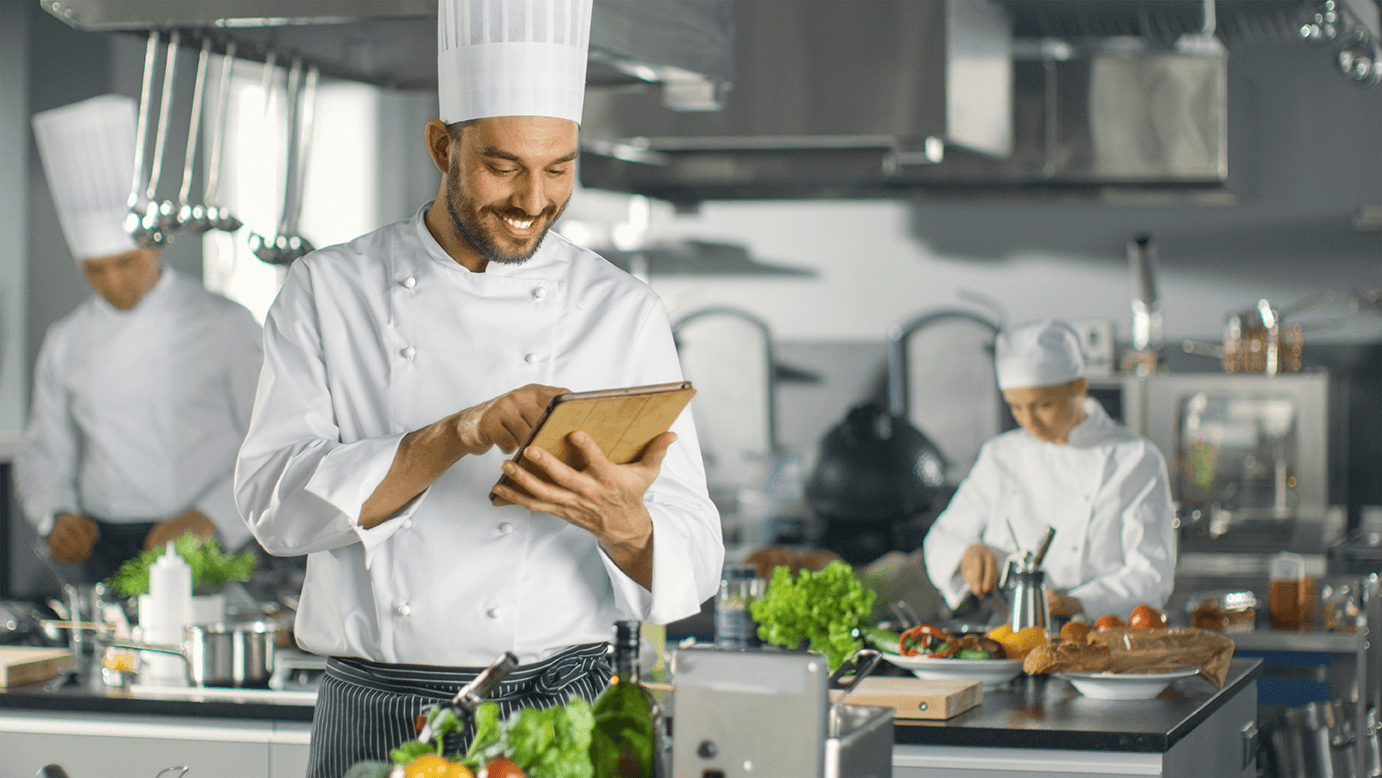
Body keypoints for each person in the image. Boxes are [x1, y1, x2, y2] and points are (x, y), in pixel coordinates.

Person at [233, 0, 723, 772]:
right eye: (503, 167)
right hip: (377, 708)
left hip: (559, 704)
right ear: (441, 145)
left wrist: (623, 523)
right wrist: (454, 435)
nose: (534, 201)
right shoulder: (328, 291)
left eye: (558, 168)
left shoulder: (620, 308)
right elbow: (273, 507)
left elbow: (694, 544)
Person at [15, 95, 263, 585]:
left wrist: (212, 516)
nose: (112, 284)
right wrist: (55, 515)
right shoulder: (66, 339)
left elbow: (272, 442)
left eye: (124, 263)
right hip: (104, 546)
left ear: (153, 243)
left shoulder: (227, 324)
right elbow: (44, 449)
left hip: (206, 538)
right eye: (95, 269)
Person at [922, 319, 1175, 623]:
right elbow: (941, 539)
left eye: (1042, 405)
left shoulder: (1135, 459)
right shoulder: (1000, 455)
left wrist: (1077, 602)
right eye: (1015, 407)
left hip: (1099, 634)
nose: (1028, 421)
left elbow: (1151, 574)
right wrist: (967, 553)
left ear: (1079, 386)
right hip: (1009, 632)